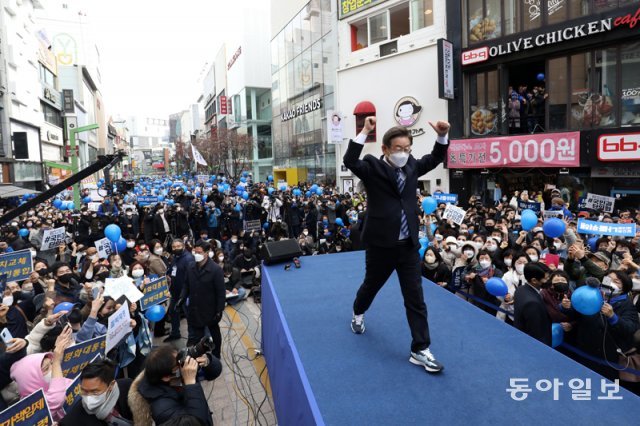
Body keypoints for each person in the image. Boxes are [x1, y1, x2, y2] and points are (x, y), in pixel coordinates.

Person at [343, 116, 449, 373]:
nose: (404, 153)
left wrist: (442, 136)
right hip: (381, 246)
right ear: (385, 149)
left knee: (415, 298)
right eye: (398, 149)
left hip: (408, 247)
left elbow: (434, 158)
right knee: (371, 286)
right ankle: (358, 312)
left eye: (407, 149)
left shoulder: (412, 167)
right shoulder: (372, 167)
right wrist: (364, 132)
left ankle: (420, 348)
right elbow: (349, 161)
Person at [130, 345, 221, 426]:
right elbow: (196, 422)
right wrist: (190, 383)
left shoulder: (176, 375)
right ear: (166, 377)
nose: (185, 364)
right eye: (179, 364)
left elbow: (215, 372)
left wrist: (208, 362)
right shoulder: (162, 409)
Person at [178, 242, 225, 359]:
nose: (196, 255)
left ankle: (216, 355)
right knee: (197, 337)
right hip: (195, 308)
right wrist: (181, 298)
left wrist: (219, 310)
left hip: (210, 310)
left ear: (207, 253)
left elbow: (221, 292)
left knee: (214, 334)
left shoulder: (216, 270)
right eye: (195, 252)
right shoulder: (190, 266)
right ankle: (199, 357)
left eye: (199, 252)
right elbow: (186, 285)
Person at [60, 359, 134, 425]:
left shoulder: (129, 389)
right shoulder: (71, 421)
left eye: (95, 392)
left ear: (111, 386)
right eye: (84, 391)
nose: (88, 398)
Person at [514, 262, 552, 346]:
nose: (549, 280)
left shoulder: (520, 289)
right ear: (534, 280)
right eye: (546, 278)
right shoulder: (532, 303)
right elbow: (536, 334)